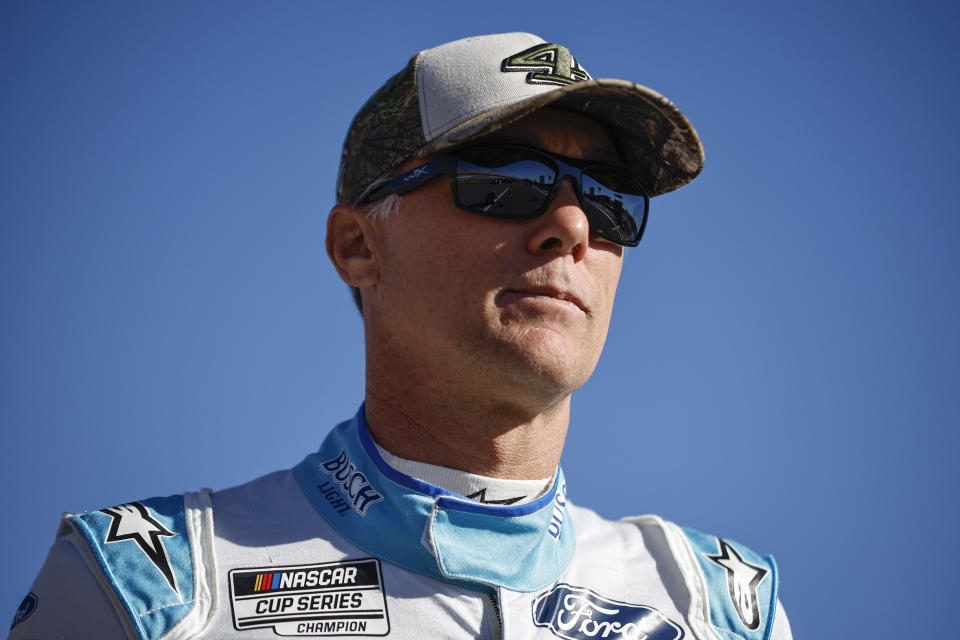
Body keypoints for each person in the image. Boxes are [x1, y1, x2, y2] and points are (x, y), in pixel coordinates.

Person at [9, 32, 792, 640]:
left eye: (608, 199)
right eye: (506, 180)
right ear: (357, 246)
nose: (572, 226)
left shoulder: (720, 605)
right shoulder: (150, 584)